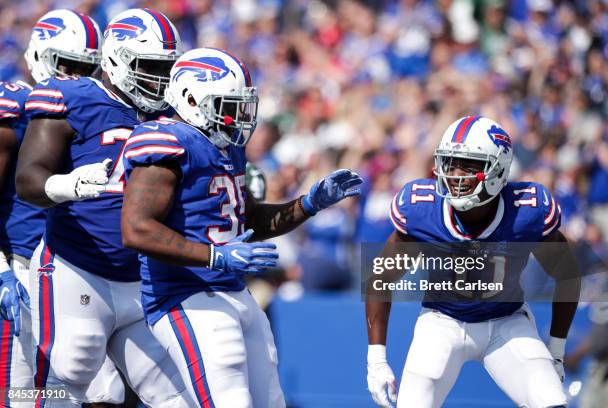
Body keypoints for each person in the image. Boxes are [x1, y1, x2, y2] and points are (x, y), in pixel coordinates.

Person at [121, 47, 363, 407]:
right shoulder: (167, 141)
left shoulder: (227, 147)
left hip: (233, 291)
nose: (236, 116)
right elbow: (137, 229)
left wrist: (308, 204)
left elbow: (248, 220)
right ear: (190, 98)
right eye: (226, 105)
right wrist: (215, 257)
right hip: (185, 296)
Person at [16, 8, 192, 407]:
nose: (160, 78)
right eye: (149, 65)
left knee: (175, 394)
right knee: (64, 379)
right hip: (78, 268)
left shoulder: (174, 115)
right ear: (116, 59)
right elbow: (28, 178)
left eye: (166, 67)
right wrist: (66, 185)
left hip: (144, 277)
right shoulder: (73, 99)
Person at [365, 116, 581, 408]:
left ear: (498, 168)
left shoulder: (527, 212)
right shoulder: (421, 210)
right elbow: (380, 279)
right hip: (442, 323)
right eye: (450, 163)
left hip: (507, 323)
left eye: (469, 165)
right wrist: (376, 360)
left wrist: (556, 351)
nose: (455, 174)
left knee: (551, 402)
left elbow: (567, 275)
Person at [0, 9, 128, 406]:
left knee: (105, 391)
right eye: (66, 65)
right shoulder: (19, 108)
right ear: (40, 57)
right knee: (20, 393)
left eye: (86, 68)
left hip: (78, 275)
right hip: (21, 270)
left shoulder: (100, 109)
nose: (74, 76)